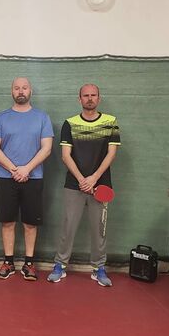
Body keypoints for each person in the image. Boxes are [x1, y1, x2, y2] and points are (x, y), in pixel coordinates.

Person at [48, 84, 121, 287]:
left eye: (93, 95)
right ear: (79, 99)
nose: (90, 98)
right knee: (68, 226)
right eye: (86, 95)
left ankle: (99, 268)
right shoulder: (69, 124)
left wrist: (94, 178)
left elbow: (112, 153)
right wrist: (82, 180)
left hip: (101, 185)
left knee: (99, 230)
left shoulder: (111, 122)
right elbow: (66, 156)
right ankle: (60, 265)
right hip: (74, 185)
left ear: (99, 98)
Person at [0, 77, 54, 281]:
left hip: (33, 178)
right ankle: (8, 262)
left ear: (30, 91)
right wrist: (14, 169)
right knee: (7, 222)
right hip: (5, 178)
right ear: (12, 92)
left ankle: (29, 263)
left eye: (24, 88)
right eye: (17, 88)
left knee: (30, 223)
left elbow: (47, 148)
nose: (20, 91)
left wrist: (27, 169)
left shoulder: (42, 118)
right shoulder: (0, 118)